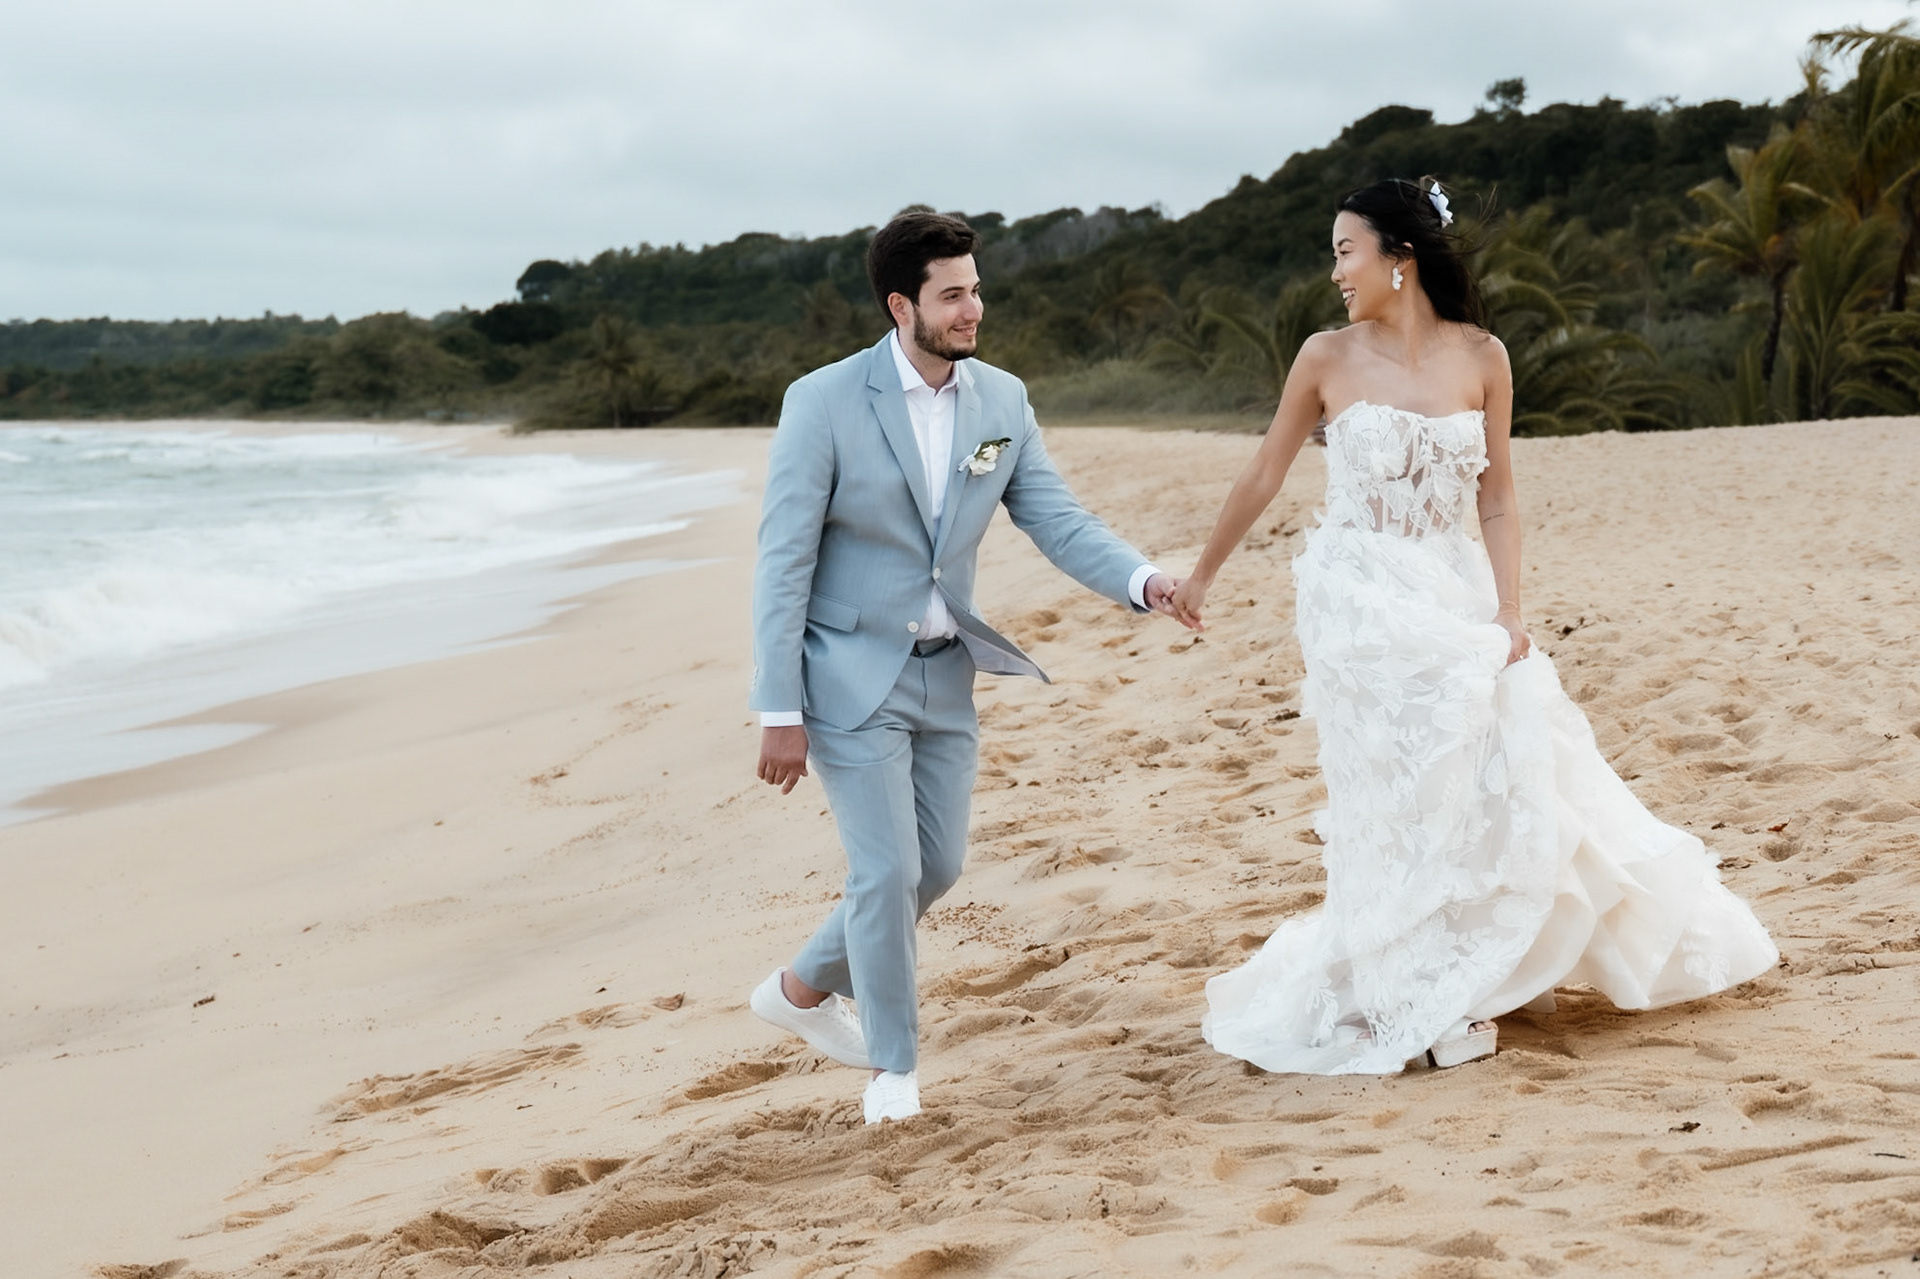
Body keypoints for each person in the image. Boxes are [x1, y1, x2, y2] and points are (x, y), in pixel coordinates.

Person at [1168, 178, 1777, 1075]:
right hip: (1359, 588)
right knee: (1394, 786)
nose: (1335, 270)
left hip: (1451, 584)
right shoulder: (1325, 356)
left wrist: (1510, 607)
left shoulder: (1484, 355)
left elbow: (1496, 496)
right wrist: (1203, 574)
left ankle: (1479, 968)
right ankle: (1408, 982)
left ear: (1399, 260)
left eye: (1346, 250)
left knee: (1495, 762)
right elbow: (1266, 469)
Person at [748, 210, 1182, 1121]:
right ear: (902, 304)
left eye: (975, 289)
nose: (973, 308)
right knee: (885, 872)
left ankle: (796, 989)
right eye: (953, 294)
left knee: (934, 867)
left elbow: (1056, 519)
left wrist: (1143, 580)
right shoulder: (822, 400)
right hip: (846, 675)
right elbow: (783, 560)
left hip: (949, 673)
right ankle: (893, 1071)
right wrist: (776, 708)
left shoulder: (1002, 403)